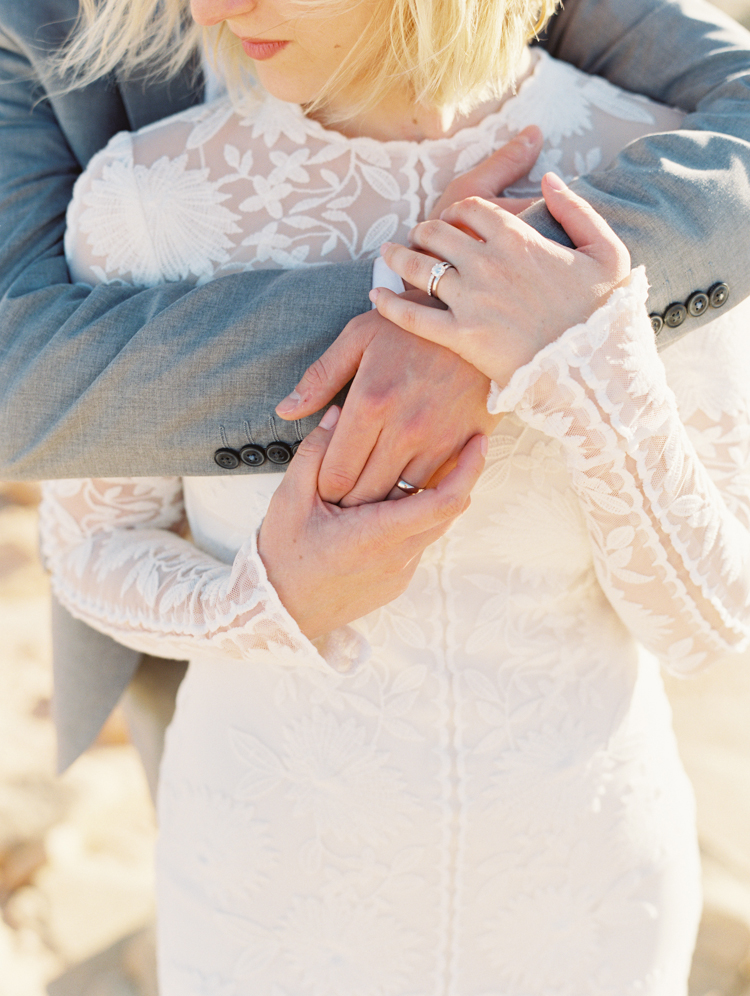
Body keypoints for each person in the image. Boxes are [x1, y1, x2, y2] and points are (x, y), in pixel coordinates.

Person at [37, 0, 750, 990]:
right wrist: (265, 597)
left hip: (583, 894)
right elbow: (87, 550)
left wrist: (590, 363)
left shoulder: (649, 169)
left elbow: (710, 625)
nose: (213, 8)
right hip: (267, 897)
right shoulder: (145, 203)